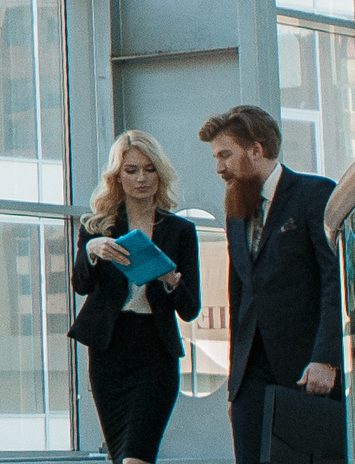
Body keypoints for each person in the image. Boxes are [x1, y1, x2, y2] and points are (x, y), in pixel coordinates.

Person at [207, 105, 341, 464]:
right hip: (252, 372)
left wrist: (325, 359)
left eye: (226, 155)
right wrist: (235, 386)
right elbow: (239, 296)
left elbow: (335, 280)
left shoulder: (314, 194)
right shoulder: (236, 210)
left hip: (305, 368)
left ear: (256, 150)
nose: (219, 167)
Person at [72, 131, 202, 464]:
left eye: (150, 169)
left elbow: (190, 309)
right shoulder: (97, 226)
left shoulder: (180, 231)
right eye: (131, 170)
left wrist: (171, 282)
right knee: (121, 457)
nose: (142, 178)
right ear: (117, 176)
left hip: (155, 351)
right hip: (109, 350)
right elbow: (81, 286)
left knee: (136, 457)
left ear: (161, 172)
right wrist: (91, 250)